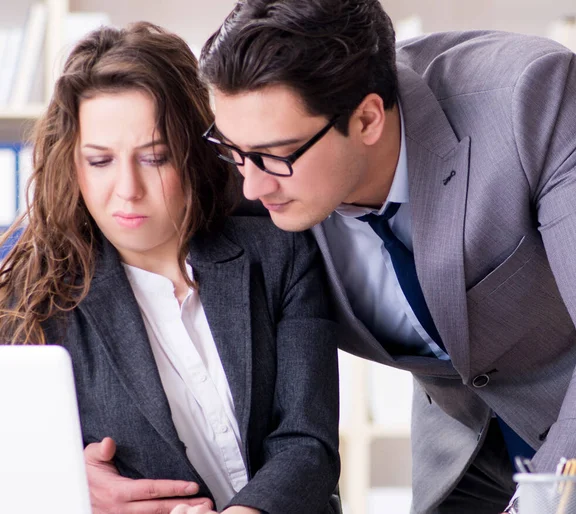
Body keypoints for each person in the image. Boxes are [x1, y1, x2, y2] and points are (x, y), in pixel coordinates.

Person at [196, 1, 576, 513]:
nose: (250, 185)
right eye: (233, 150)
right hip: (460, 445)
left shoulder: (534, 97)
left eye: (275, 156)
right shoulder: (252, 154)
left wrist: (547, 503)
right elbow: (114, 235)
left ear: (366, 118)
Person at [0, 22, 341, 514]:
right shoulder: (33, 300)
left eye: (155, 157)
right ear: (71, 163)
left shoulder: (279, 254)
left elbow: (308, 443)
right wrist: (66, 485)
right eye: (99, 161)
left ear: (195, 151)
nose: (127, 189)